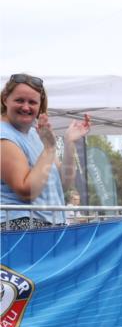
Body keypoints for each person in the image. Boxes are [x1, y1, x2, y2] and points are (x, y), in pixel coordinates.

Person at [1, 74, 91, 230]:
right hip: (19, 228)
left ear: (40, 105)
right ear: (5, 99)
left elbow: (63, 183)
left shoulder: (36, 134)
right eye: (19, 100)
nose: (26, 107)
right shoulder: (4, 136)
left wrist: (69, 142)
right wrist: (49, 148)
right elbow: (27, 191)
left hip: (48, 227)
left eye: (32, 102)